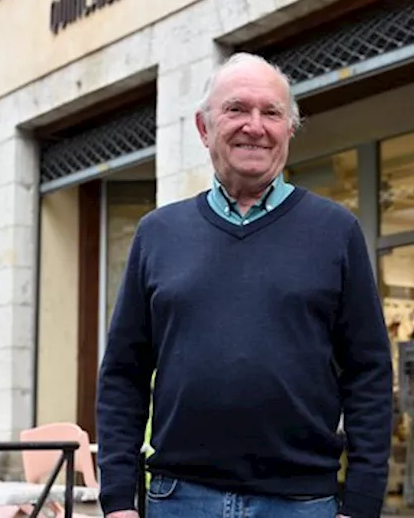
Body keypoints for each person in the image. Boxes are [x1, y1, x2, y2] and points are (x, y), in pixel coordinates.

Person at [96, 52, 394, 518]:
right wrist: (117, 499)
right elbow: (122, 374)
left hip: (303, 503)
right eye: (236, 109)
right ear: (203, 127)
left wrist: (362, 502)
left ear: (288, 131)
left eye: (271, 113)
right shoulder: (157, 234)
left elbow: (369, 373)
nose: (254, 126)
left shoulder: (336, 232)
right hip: (179, 500)